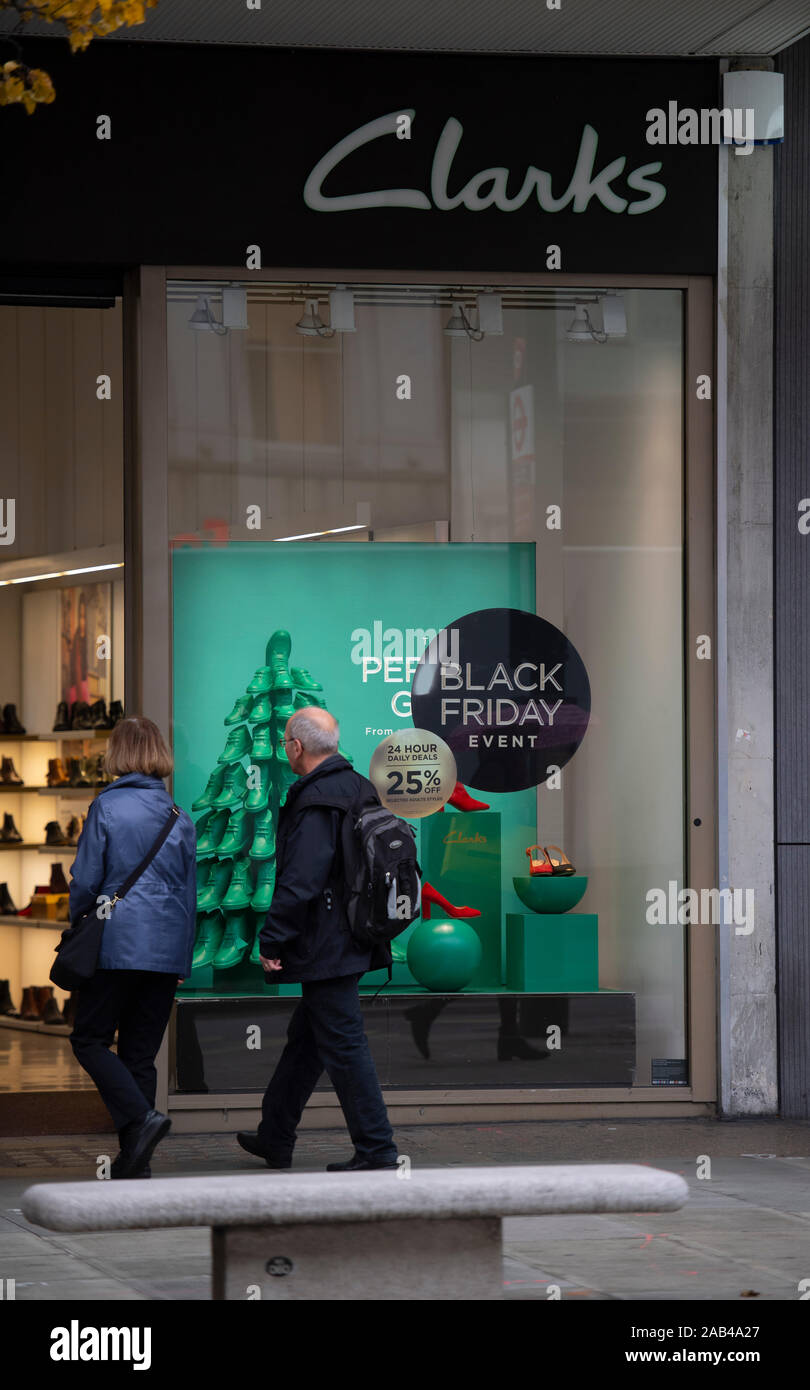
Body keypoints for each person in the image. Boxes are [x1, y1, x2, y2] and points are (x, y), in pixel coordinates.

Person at [237, 708, 398, 1173]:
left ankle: (377, 1150)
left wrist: (272, 940)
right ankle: (275, 1135)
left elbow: (301, 881)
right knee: (306, 1040)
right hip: (352, 935)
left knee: (345, 1044)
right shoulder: (357, 787)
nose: (284, 748)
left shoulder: (316, 798)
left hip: (327, 943)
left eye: (285, 742)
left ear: (296, 747)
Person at [68, 716, 197, 1178]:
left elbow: (85, 880)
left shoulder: (105, 807)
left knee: (89, 1039)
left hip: (115, 944)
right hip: (165, 951)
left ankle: (141, 1122)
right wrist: (183, 956)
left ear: (117, 753)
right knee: (140, 1054)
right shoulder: (179, 816)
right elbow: (189, 895)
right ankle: (135, 1162)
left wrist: (77, 927)